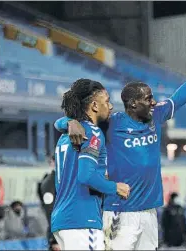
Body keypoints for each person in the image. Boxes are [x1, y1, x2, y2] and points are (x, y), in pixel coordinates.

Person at [53, 52, 186, 250]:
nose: (153, 102)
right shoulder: (111, 124)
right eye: (148, 99)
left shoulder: (156, 115)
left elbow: (182, 94)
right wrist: (68, 122)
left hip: (149, 212)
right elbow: (82, 122)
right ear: (133, 103)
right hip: (119, 211)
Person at [51, 79, 131, 250]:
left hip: (63, 220)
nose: (110, 107)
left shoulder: (67, 134)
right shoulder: (92, 132)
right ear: (94, 105)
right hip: (82, 220)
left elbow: (76, 174)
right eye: (107, 101)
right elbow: (86, 175)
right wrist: (115, 187)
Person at [37, 155, 59, 251]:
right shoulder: (49, 182)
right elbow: (50, 212)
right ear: (52, 163)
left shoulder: (62, 180)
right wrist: (54, 239)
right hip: (57, 233)